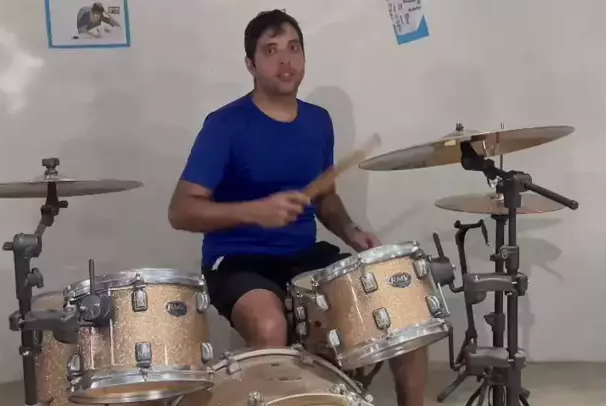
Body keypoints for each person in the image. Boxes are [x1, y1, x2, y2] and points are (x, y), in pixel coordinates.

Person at [168, 10, 428, 406]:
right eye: (271, 51)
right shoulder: (224, 125)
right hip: (237, 260)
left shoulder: (318, 121)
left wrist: (352, 231)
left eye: (293, 48)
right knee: (270, 325)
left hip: (304, 257)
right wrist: (255, 211)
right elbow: (181, 211)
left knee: (400, 307)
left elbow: (324, 195)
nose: (285, 61)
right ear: (251, 64)